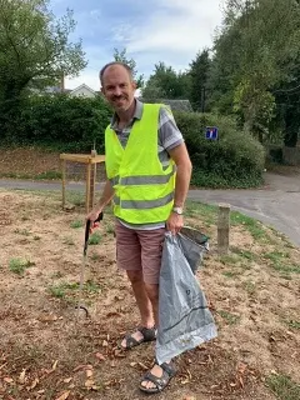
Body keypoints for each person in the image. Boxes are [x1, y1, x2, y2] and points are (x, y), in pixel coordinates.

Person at [86, 61, 192, 394]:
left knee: (156, 286)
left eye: (122, 85)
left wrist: (178, 210)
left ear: (134, 85)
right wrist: (98, 208)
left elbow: (184, 164)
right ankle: (148, 326)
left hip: (156, 223)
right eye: (110, 88)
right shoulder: (110, 131)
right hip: (126, 221)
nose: (117, 92)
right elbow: (115, 179)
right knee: (134, 277)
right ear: (103, 92)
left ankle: (167, 353)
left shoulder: (158, 116)